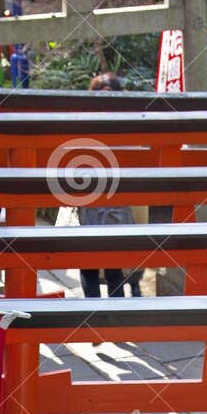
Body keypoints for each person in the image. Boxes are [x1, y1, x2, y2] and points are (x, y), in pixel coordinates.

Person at [78, 72, 141, 299]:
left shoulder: (127, 124)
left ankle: (116, 313)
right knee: (88, 260)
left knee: (115, 259)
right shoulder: (81, 122)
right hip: (87, 196)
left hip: (116, 197)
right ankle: (93, 313)